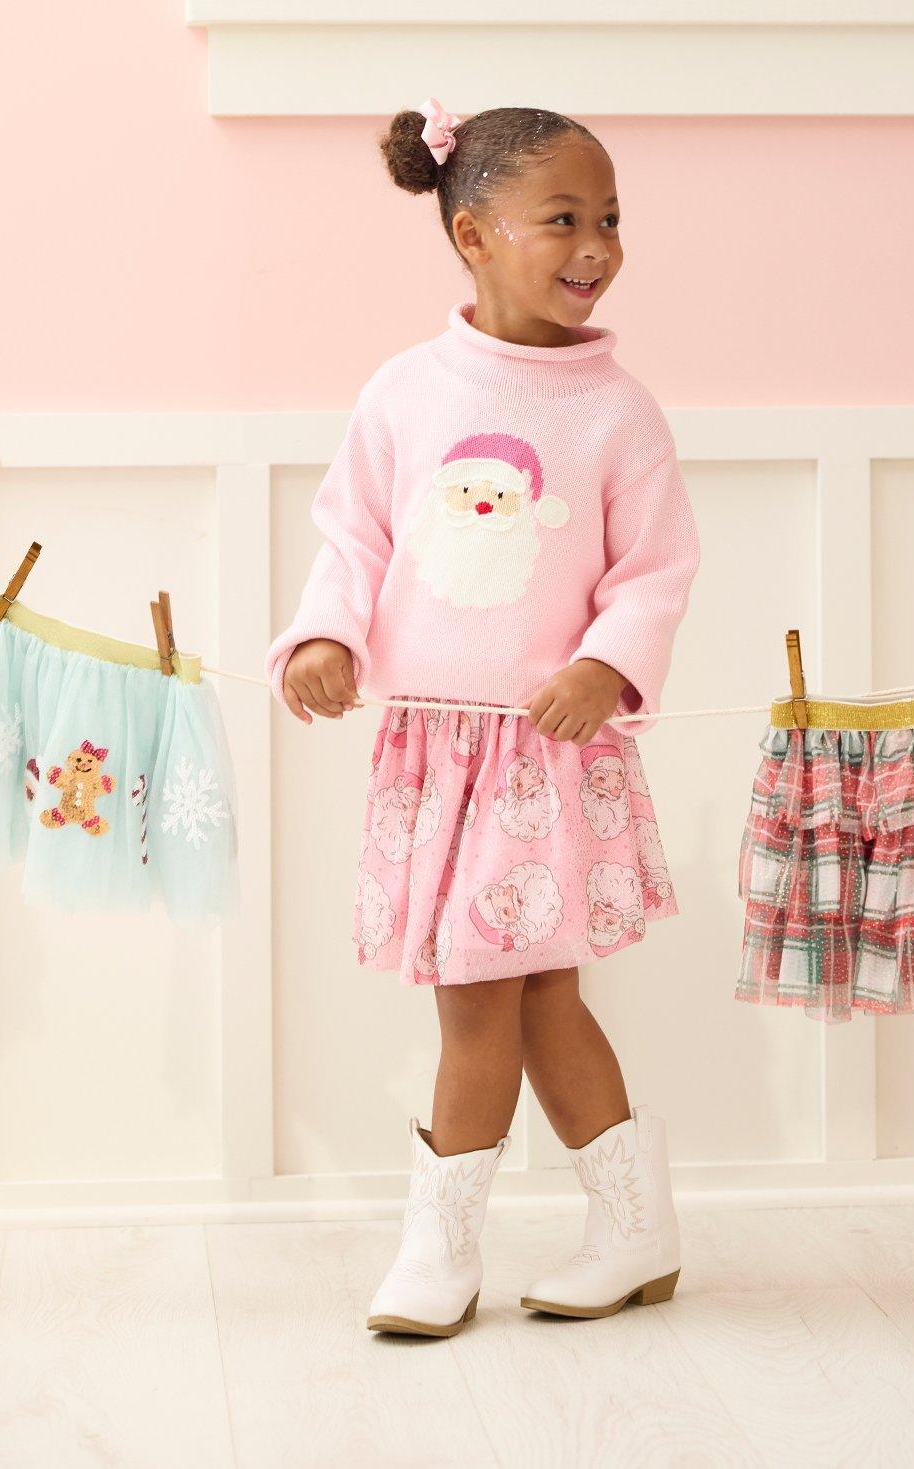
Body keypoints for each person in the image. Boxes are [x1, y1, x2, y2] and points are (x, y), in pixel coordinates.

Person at [264, 98, 701, 1337]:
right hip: (434, 751)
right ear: (472, 233)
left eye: (611, 219)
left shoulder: (619, 409)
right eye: (563, 217)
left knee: (486, 999)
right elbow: (353, 534)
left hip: (550, 753)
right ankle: (636, 1229)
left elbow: (656, 569)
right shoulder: (405, 391)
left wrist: (605, 667)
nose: (597, 243)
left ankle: (441, 1252)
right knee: (536, 996)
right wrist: (324, 635)